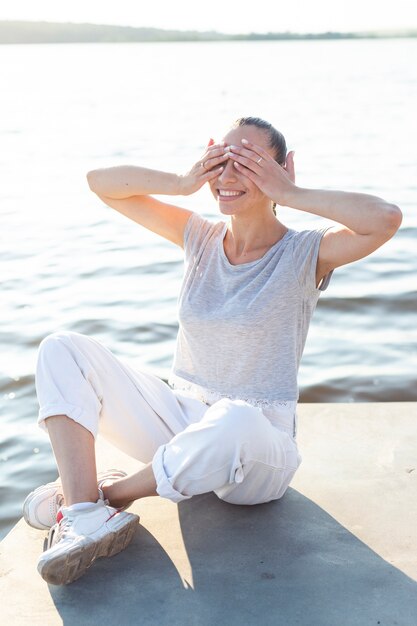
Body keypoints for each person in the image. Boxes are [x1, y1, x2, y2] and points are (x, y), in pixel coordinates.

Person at [23, 117, 402, 585]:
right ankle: (83, 514)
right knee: (62, 348)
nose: (228, 174)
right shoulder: (199, 237)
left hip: (258, 450)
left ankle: (109, 497)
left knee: (236, 418)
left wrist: (290, 193)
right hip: (182, 418)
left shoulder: (307, 252)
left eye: (248, 161)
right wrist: (183, 183)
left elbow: (385, 219)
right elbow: (100, 183)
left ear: (285, 168)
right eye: (222, 158)